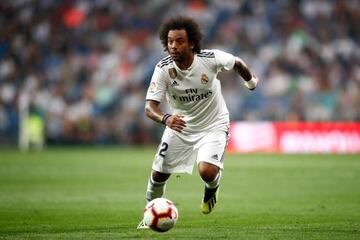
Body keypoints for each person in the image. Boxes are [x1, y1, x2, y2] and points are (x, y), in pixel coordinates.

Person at [138, 16, 258, 229]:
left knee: (207, 172)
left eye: (179, 41)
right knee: (158, 175)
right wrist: (166, 118)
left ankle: (212, 187)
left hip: (214, 124)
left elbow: (237, 63)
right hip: (180, 125)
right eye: (170, 41)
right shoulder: (163, 69)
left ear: (191, 43)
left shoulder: (210, 58)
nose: (173, 46)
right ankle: (149, 215)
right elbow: (149, 107)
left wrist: (251, 82)